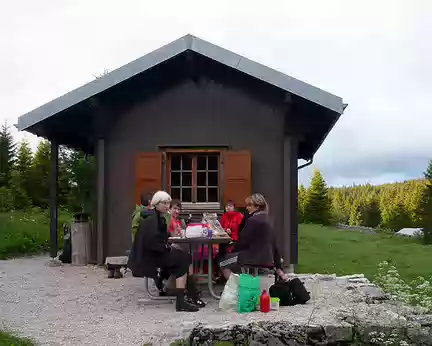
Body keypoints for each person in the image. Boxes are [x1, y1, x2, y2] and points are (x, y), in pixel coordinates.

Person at [128, 191, 201, 312]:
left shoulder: (159, 218)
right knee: (184, 259)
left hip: (155, 254)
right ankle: (185, 299)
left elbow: (161, 238)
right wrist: (167, 248)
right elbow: (152, 244)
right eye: (164, 203)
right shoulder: (152, 220)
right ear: (156, 204)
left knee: (185, 258)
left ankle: (186, 298)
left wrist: (168, 242)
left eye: (168, 203)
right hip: (150, 258)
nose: (167, 206)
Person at [218, 193, 289, 282]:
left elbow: (242, 242)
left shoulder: (253, 220)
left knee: (222, 262)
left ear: (257, 206)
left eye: (249, 205)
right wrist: (278, 267)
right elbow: (274, 244)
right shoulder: (269, 219)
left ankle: (239, 289)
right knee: (230, 258)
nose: (247, 208)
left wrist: (232, 250)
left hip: (253, 257)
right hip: (267, 257)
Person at [166, 200, 206, 307]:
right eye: (174, 208)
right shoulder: (169, 219)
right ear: (169, 209)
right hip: (171, 249)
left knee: (189, 260)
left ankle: (192, 293)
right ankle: (192, 294)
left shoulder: (177, 220)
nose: (177, 211)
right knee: (188, 261)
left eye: (178, 209)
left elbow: (181, 233)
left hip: (179, 247)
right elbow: (174, 236)